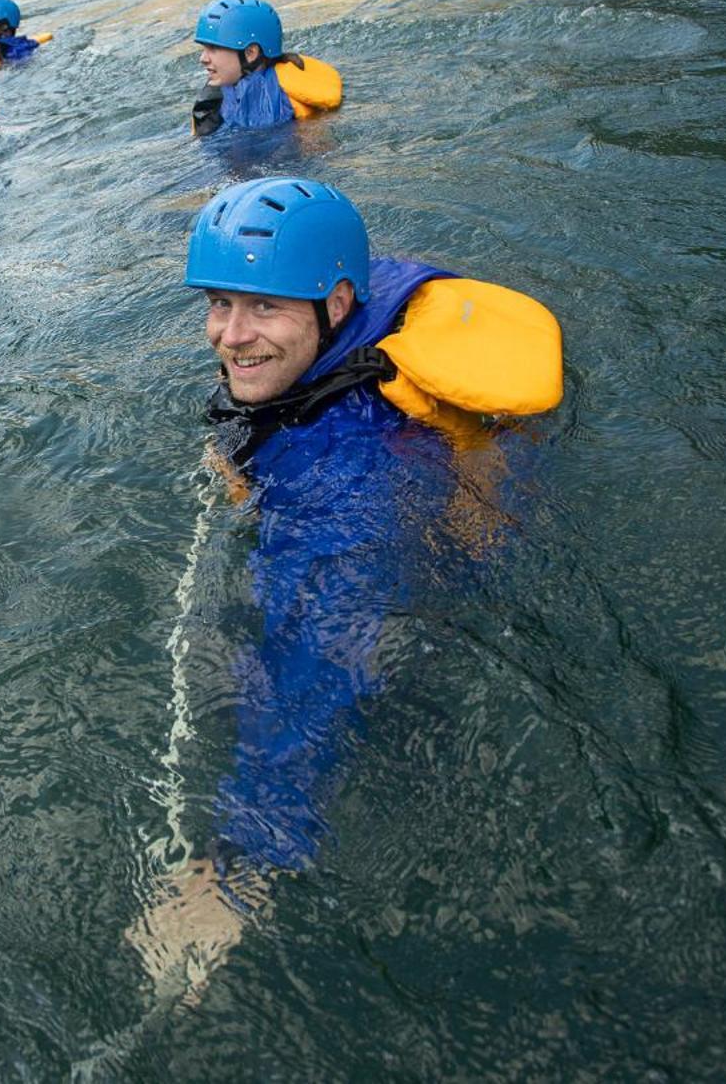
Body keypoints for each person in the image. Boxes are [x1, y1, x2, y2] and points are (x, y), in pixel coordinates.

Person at [127, 176, 562, 1000]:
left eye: (264, 309)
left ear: (333, 303)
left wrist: (238, 862)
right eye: (219, 303)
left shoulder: (344, 472)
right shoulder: (342, 312)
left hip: (420, 591)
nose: (230, 335)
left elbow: (323, 645)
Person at [190, 0, 344, 137]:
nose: (202, 58)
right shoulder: (212, 100)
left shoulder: (289, 93)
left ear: (251, 53)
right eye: (204, 49)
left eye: (213, 49)